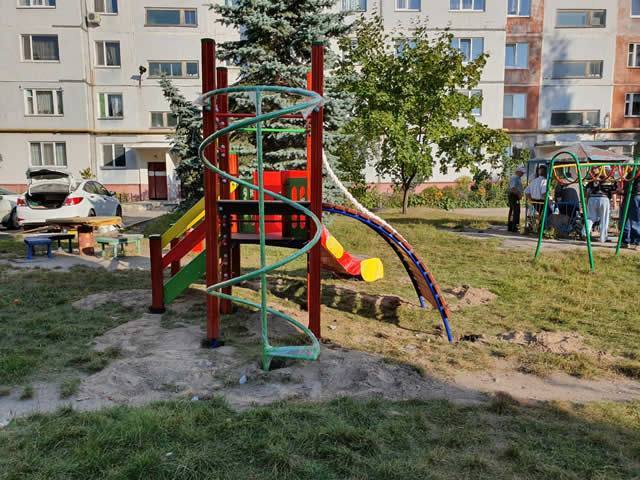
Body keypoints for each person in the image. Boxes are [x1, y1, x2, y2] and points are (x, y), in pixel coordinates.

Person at [525, 165, 551, 229]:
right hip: (542, 202)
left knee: (535, 214)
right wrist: (549, 200)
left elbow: (526, 192)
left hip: (534, 202)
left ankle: (534, 226)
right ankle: (543, 228)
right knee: (549, 213)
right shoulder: (545, 181)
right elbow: (544, 193)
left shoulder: (533, 181)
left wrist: (531, 200)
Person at [622, 178, 640, 248]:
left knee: (633, 220)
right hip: (632, 195)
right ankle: (631, 241)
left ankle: (632, 241)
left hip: (633, 195)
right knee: (632, 220)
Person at [507, 165, 525, 232]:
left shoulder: (517, 178)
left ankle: (512, 226)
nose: (523, 174)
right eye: (522, 172)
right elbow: (513, 188)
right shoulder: (515, 178)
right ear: (518, 171)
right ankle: (513, 227)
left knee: (514, 210)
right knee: (515, 211)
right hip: (514, 196)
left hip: (515, 196)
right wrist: (519, 194)